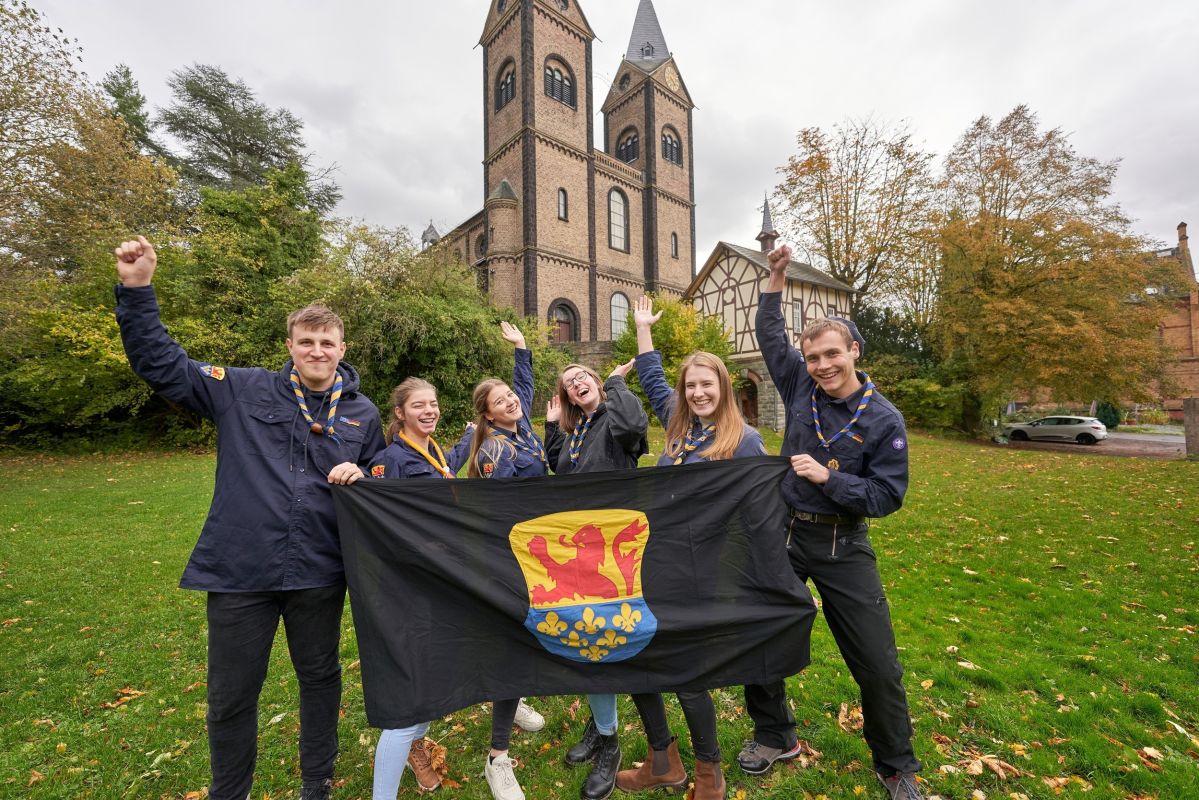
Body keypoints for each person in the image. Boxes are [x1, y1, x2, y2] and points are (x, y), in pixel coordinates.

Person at [113, 237, 385, 800]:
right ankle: (228, 793)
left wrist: (367, 478)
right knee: (232, 695)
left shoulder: (363, 413)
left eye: (326, 342)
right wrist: (137, 291)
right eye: (306, 341)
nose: (316, 350)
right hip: (242, 571)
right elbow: (162, 365)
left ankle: (317, 786)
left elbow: (381, 478)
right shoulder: (240, 388)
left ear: (342, 348)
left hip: (319, 571)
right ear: (290, 345)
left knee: (320, 681)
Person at [740, 244, 921, 800]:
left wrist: (828, 479)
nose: (821, 366)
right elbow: (769, 332)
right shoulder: (799, 386)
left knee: (877, 661)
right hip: (784, 534)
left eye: (830, 355)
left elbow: (887, 495)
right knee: (760, 638)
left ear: (853, 351)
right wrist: (774, 277)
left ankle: (896, 766)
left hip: (843, 543)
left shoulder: (884, 419)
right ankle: (775, 735)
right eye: (813, 356)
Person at [613, 296, 767, 800]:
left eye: (708, 384)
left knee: (686, 674)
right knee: (634, 657)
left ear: (724, 388)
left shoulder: (743, 441)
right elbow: (655, 379)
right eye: (692, 385)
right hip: (655, 564)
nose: (698, 392)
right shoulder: (679, 429)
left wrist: (772, 578)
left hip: (704, 574)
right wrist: (643, 331)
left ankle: (708, 771)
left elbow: (761, 519)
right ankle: (662, 759)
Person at [543, 357, 649, 800]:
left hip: (615, 549)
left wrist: (614, 381)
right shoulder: (577, 429)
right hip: (581, 548)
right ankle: (600, 723)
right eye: (569, 383)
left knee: (602, 638)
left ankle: (610, 741)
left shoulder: (615, 415)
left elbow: (632, 428)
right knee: (585, 634)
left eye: (582, 376)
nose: (576, 383)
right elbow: (560, 469)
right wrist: (552, 427)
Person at [367, 376, 476, 798]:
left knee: (431, 677)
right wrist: (354, 476)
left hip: (443, 580)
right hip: (413, 586)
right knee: (410, 691)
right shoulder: (391, 459)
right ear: (399, 413)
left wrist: (469, 437)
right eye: (418, 406)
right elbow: (382, 516)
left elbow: (447, 467)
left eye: (432, 404)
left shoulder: (433, 452)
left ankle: (415, 745)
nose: (428, 411)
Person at [465, 321, 551, 800]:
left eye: (510, 397)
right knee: (513, 645)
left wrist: (521, 348)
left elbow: (523, 388)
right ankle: (498, 757)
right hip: (512, 557)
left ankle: (511, 704)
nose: (511, 401)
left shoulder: (524, 433)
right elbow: (502, 510)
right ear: (488, 416)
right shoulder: (496, 448)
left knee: (521, 640)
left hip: (535, 551)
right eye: (499, 401)